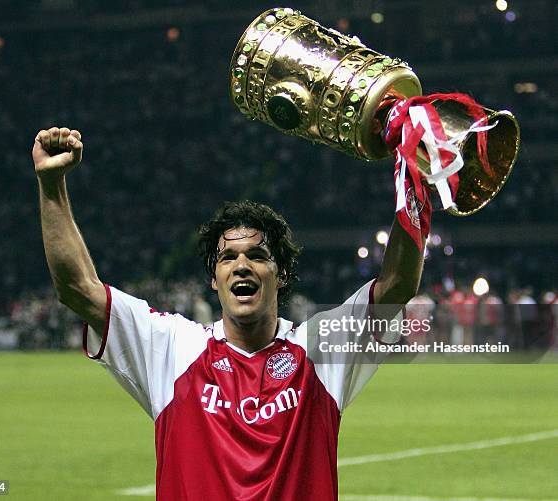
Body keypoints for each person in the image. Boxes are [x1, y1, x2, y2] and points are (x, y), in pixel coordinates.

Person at [33, 126, 425, 500]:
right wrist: (52, 187)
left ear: (281, 273)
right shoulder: (172, 349)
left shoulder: (321, 349)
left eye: (257, 256)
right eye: (227, 258)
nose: (241, 266)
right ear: (214, 279)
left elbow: (396, 286)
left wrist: (414, 180)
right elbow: (78, 288)